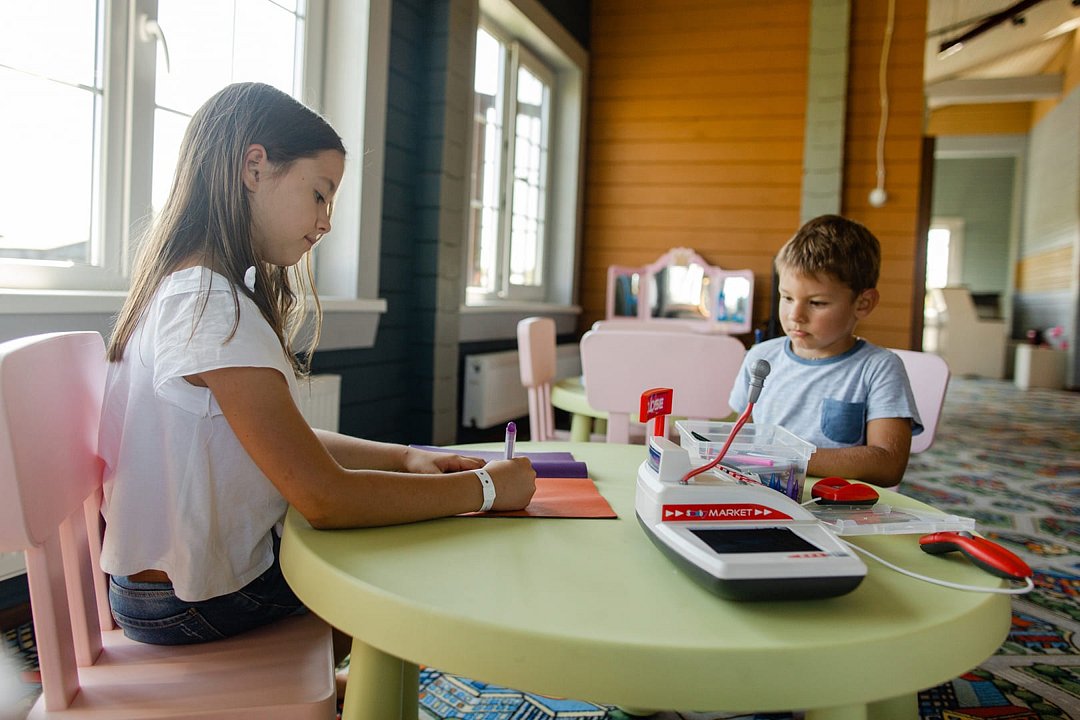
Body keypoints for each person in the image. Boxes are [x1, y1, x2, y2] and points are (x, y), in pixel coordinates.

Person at [97, 82, 536, 653]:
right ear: (254, 167)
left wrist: (406, 458)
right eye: (320, 194)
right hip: (189, 602)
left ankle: (350, 680)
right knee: (409, 556)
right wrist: (485, 489)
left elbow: (289, 443)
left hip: (164, 592)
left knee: (383, 531)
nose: (326, 221)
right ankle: (360, 682)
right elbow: (325, 499)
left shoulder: (188, 290)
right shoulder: (209, 306)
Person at [729, 214, 921, 487]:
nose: (795, 315)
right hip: (762, 494)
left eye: (817, 303)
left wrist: (788, 458)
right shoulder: (760, 358)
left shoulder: (879, 368)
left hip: (835, 503)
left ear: (863, 303)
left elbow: (888, 464)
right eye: (787, 297)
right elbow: (741, 438)